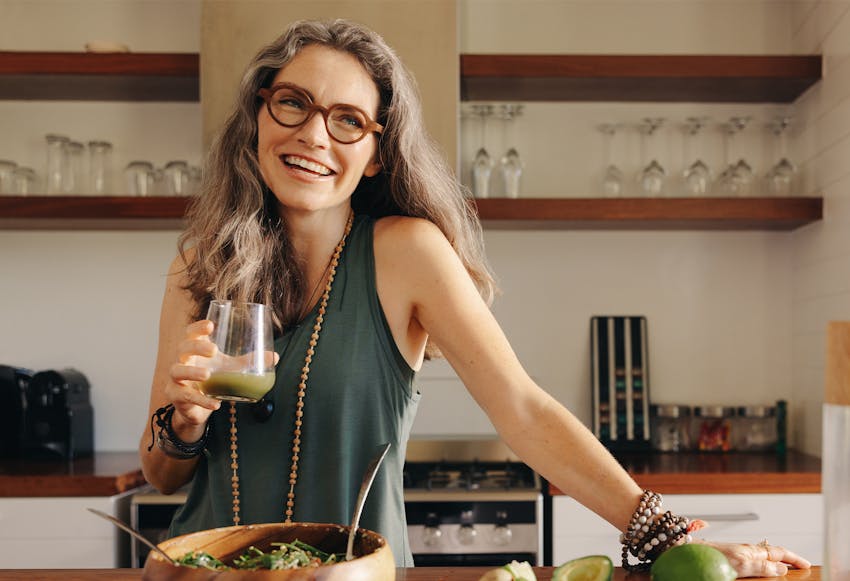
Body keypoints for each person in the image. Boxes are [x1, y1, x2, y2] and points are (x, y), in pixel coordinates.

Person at [139, 18, 811, 577]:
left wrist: (668, 534)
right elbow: (162, 471)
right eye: (294, 103)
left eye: (347, 120)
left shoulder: (406, 252)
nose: (314, 135)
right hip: (199, 568)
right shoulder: (198, 265)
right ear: (260, 112)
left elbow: (524, 411)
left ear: (375, 153)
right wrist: (183, 422)